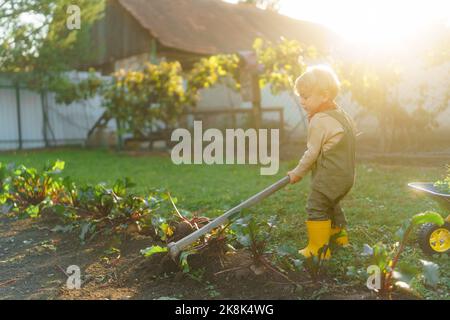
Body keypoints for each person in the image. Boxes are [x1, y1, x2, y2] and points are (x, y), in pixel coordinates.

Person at [287, 65, 357, 259]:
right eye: (300, 96)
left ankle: (318, 249)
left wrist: (297, 172)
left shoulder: (320, 119)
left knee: (317, 206)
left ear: (324, 95)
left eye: (306, 96)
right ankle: (340, 240)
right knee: (332, 204)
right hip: (347, 176)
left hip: (330, 176)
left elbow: (311, 153)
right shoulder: (341, 114)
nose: (302, 101)